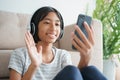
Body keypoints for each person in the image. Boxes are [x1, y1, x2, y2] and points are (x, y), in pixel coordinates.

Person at [8, 6, 107, 80]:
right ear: (33, 27)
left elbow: (73, 77)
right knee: (71, 69)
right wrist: (34, 65)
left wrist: (85, 59)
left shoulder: (63, 55)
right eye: (47, 22)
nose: (53, 28)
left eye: (57, 24)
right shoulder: (19, 54)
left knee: (90, 70)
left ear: (61, 31)